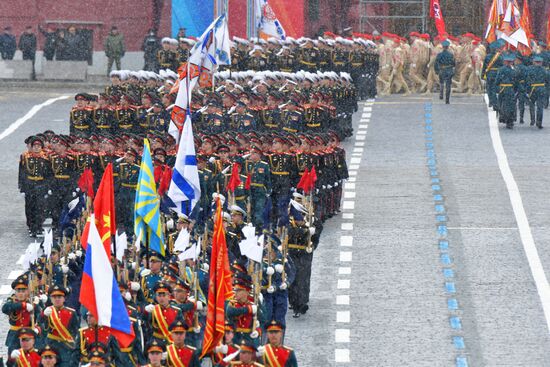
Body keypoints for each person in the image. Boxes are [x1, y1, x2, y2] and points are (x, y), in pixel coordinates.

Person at [495, 53, 519, 129]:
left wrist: (497, 87)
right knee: (512, 105)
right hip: (511, 90)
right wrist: (515, 89)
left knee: (502, 104)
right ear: (511, 62)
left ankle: (504, 118)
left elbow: (497, 80)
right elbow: (516, 82)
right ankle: (510, 120)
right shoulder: (514, 70)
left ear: (505, 62)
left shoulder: (501, 69)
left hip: (503, 89)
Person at [526, 55, 548, 128]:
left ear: (533, 62)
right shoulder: (544, 70)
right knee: (540, 107)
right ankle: (539, 123)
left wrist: (528, 90)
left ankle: (532, 120)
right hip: (541, 89)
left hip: (533, 89)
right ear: (541, 63)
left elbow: (528, 81)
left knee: (531, 105)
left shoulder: (530, 70)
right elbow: (548, 81)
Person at [434, 40, 455, 104]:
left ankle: (441, 94)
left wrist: (436, 70)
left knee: (441, 82)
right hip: (449, 70)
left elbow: (436, 63)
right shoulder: (451, 55)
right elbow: (454, 63)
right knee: (448, 84)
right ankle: (447, 99)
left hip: (442, 70)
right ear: (448, 47)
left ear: (442, 47)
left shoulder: (439, 54)